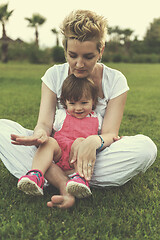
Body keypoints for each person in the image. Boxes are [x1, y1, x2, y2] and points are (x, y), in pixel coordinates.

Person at [0, 10, 157, 209]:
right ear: (65, 49)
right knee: (2, 128)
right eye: (72, 55)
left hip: (94, 155)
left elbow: (110, 134)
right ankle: (65, 181)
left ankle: (53, 174)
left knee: (146, 148)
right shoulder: (54, 75)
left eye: (89, 56)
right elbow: (45, 124)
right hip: (55, 151)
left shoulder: (115, 80)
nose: (79, 64)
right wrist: (38, 136)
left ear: (101, 51)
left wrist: (93, 141)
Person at [17, 74, 103, 198]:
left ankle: (80, 179)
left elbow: (101, 137)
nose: (78, 108)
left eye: (84, 103)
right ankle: (36, 175)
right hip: (59, 155)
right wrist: (41, 137)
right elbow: (49, 129)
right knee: (50, 142)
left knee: (80, 141)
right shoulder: (61, 115)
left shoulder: (97, 119)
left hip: (79, 159)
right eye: (72, 103)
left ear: (93, 101)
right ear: (65, 102)